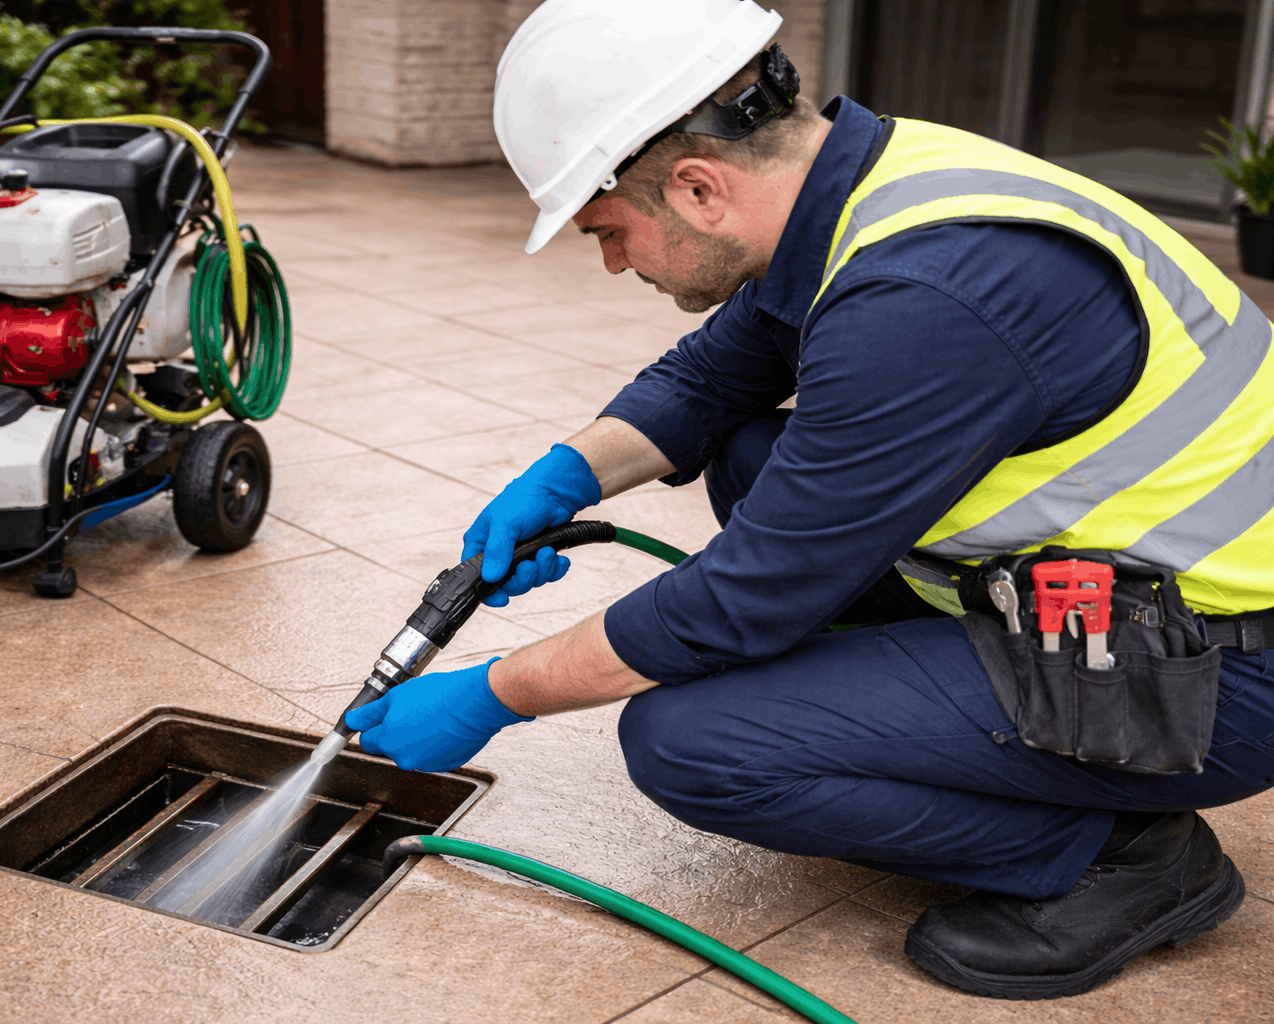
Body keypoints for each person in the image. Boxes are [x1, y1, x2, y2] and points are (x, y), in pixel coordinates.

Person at [342, 0, 1274, 999]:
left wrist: (494, 693)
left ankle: (1120, 855)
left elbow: (741, 602)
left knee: (693, 744)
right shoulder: (872, 184)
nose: (613, 262)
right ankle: (899, 705)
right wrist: (561, 476)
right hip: (1108, 593)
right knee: (751, 451)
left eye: (609, 231)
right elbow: (709, 381)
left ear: (698, 187)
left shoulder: (928, 300)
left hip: (1208, 671)